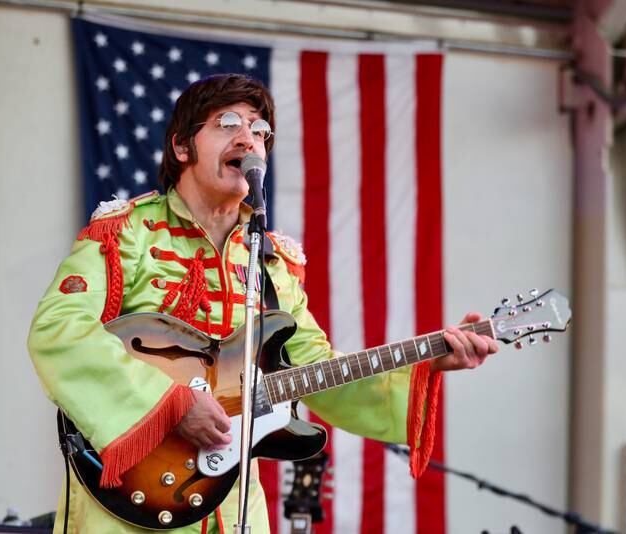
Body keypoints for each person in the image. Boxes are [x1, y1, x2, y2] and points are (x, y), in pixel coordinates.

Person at [27, 73, 498, 534]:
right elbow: (58, 329)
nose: (249, 139)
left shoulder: (273, 261)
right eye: (227, 123)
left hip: (233, 507)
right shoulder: (124, 232)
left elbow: (319, 371)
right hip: (125, 506)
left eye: (259, 130)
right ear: (181, 147)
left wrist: (424, 364)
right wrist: (170, 404)